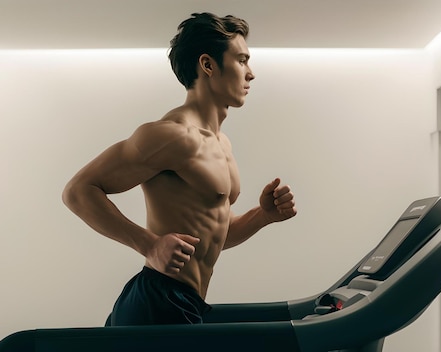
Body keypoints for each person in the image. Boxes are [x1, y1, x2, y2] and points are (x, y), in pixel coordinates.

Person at [62, 12, 297, 326]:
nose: (250, 73)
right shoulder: (171, 136)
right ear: (208, 65)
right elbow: (77, 191)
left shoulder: (222, 144)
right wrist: (149, 244)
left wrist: (262, 215)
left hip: (188, 303)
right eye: (241, 60)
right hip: (157, 302)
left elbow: (214, 236)